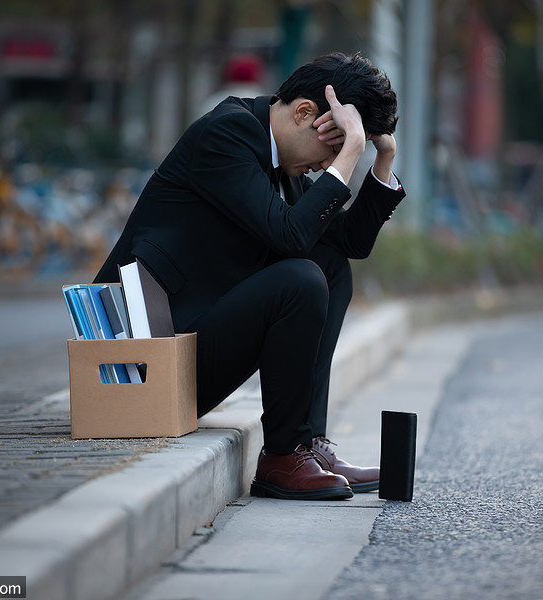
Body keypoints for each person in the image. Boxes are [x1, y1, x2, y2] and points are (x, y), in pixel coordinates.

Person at [94, 52, 405, 500]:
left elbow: (349, 245)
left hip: (190, 348)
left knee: (329, 268)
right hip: (145, 366)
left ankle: (304, 445)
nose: (330, 164)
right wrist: (348, 155)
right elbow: (292, 237)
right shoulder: (228, 133)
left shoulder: (285, 159)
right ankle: (282, 455)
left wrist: (382, 158)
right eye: (334, 149)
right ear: (304, 114)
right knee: (301, 278)